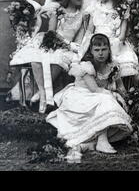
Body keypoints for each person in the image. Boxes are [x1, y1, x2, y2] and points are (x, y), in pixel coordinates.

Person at [47, 34, 132, 162]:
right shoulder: (86, 65)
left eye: (104, 49)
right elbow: (95, 89)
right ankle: (102, 140)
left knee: (107, 102)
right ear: (91, 51)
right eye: (97, 50)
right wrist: (115, 95)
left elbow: (120, 86)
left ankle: (90, 143)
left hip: (97, 97)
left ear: (109, 50)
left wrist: (127, 98)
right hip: (80, 97)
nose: (101, 53)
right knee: (106, 100)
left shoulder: (113, 66)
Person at [10, 0, 86, 113]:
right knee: (36, 57)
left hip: (67, 46)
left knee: (58, 59)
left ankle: (42, 93)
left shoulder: (82, 15)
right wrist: (58, 41)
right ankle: (43, 94)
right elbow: (52, 32)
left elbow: (79, 38)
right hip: (51, 41)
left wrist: (70, 45)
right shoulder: (57, 11)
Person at [82, 0, 139, 78]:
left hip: (113, 44)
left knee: (122, 63)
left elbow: (122, 35)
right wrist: (87, 43)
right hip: (96, 42)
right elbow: (90, 30)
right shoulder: (95, 5)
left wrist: (113, 46)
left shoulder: (121, 8)